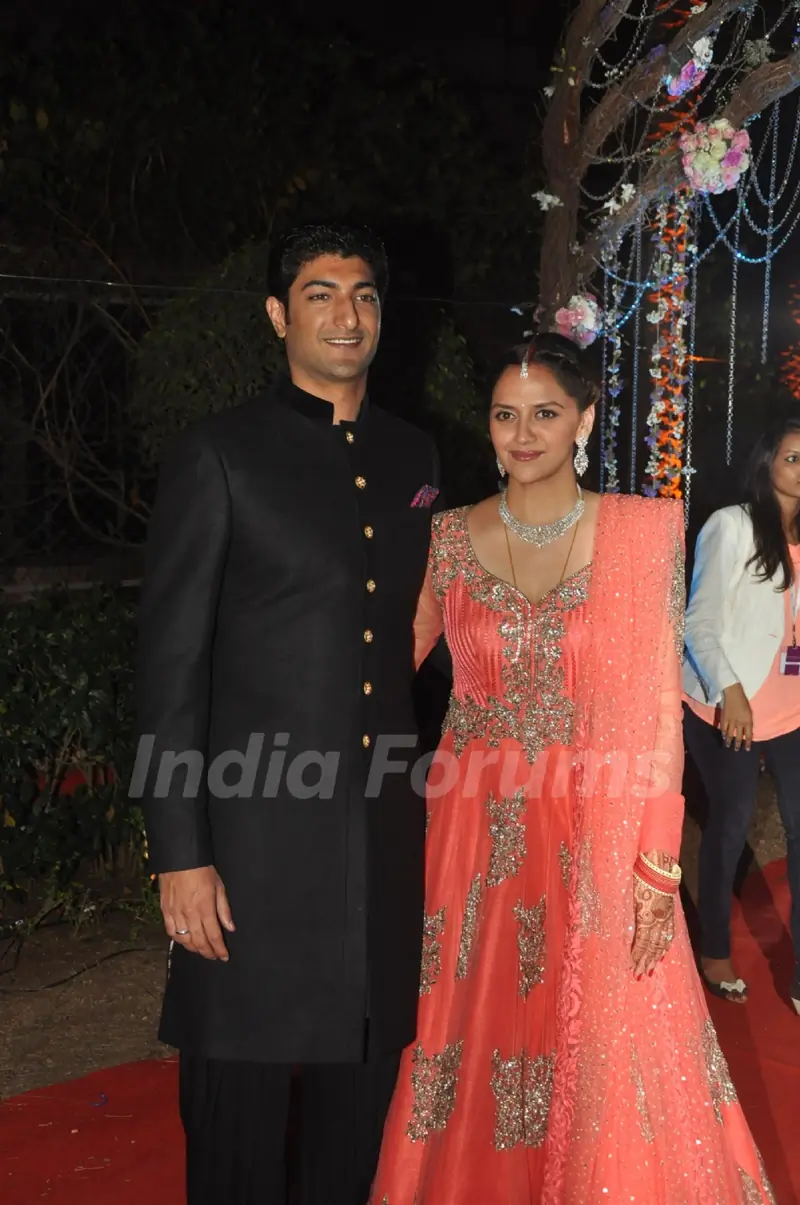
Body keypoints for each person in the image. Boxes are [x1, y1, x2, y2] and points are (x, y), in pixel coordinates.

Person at [369, 333, 775, 1204]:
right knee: (468, 1032)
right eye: (506, 416)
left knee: (606, 1036)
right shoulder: (445, 538)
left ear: (584, 418)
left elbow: (656, 712)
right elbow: (375, 672)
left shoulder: (638, 532)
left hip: (597, 829)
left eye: (546, 413)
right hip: (470, 837)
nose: (523, 434)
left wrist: (658, 859)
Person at [132, 222, 443, 1205]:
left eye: (361, 295)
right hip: (251, 844)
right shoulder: (220, 453)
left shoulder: (414, 454)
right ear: (278, 315)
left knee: (360, 1104)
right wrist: (179, 851)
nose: (344, 315)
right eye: (319, 294)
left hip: (376, 837)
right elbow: (168, 664)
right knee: (238, 1103)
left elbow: (414, 617)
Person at [683, 414, 800, 1013]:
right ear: (768, 463)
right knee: (729, 825)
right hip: (728, 702)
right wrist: (729, 691)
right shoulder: (731, 527)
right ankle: (714, 949)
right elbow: (697, 621)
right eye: (793, 457)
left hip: (791, 710)